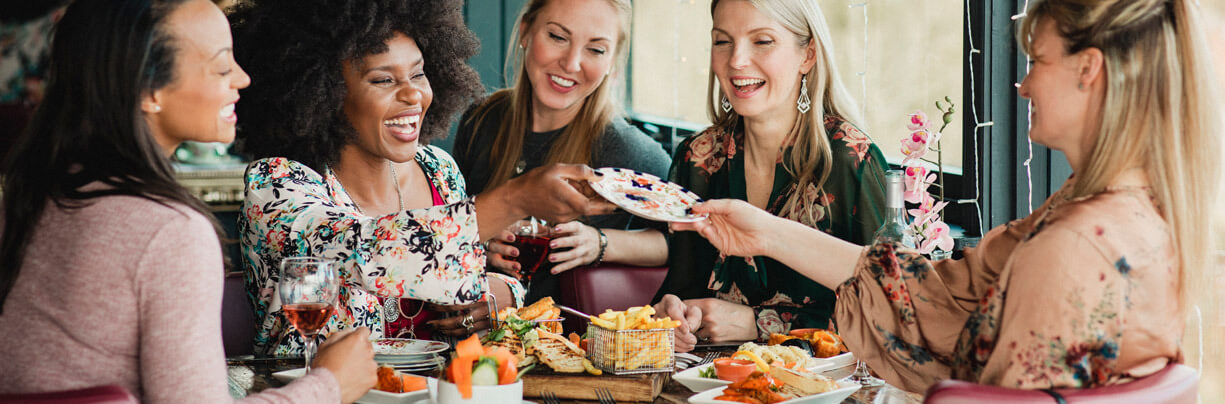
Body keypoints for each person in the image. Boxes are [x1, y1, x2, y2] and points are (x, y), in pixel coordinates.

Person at [672, 0, 1221, 391]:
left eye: (1037, 62)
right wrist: (766, 231)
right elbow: (932, 296)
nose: (1022, 85)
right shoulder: (1108, 212)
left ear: (1089, 71)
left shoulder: (1075, 247)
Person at [0, 0, 377, 402]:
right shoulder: (168, 231)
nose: (243, 78)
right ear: (149, 90)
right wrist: (330, 384)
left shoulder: (31, 197)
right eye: (221, 66)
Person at [230, 0, 611, 356]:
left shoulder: (439, 171)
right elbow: (364, 250)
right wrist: (517, 199)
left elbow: (479, 271)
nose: (413, 94)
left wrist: (499, 294)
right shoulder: (277, 185)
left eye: (418, 73)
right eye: (383, 80)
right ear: (324, 93)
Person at [651, 0, 889, 352]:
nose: (736, 60)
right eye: (722, 41)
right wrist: (671, 315)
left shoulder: (852, 161)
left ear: (807, 55)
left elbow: (892, 315)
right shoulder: (698, 158)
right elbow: (683, 288)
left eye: (762, 41)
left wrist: (756, 324)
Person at [452, 0, 671, 303]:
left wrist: (601, 243)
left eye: (595, 50)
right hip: (476, 337)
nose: (571, 63)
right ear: (526, 32)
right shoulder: (481, 120)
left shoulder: (630, 150)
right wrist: (483, 245)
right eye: (557, 37)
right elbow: (449, 227)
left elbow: (684, 245)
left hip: (572, 344)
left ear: (613, 64)